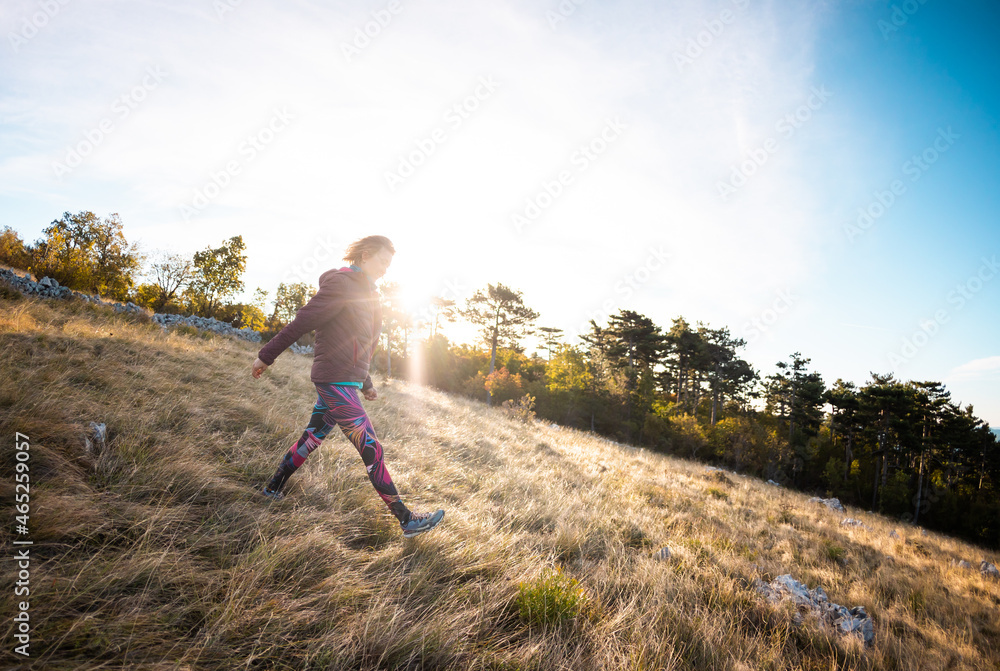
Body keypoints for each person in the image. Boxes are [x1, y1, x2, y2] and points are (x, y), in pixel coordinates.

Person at [251, 235, 444, 538]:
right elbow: (303, 320)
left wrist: (365, 381)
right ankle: (406, 520)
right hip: (333, 379)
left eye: (389, 265)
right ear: (365, 255)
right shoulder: (341, 283)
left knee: (311, 439)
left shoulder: (370, 293)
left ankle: (272, 488)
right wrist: (266, 356)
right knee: (370, 445)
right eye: (382, 261)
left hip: (346, 380)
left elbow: (363, 342)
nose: (385, 269)